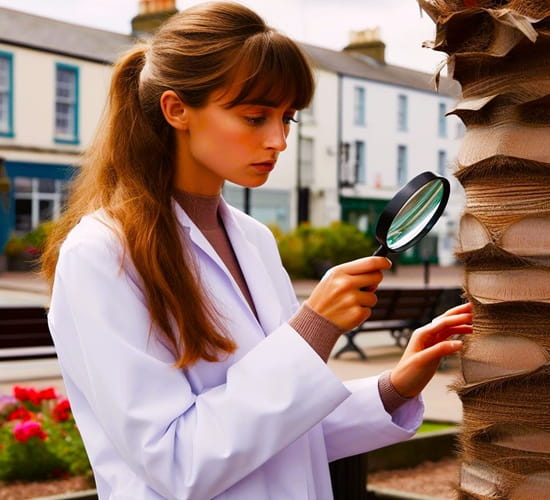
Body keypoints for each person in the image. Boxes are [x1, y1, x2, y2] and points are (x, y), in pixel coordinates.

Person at [42, 2, 472, 499]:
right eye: (254, 116)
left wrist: (395, 386)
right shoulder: (101, 254)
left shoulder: (254, 239)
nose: (279, 140)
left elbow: (283, 432)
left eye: (286, 118)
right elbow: (177, 462)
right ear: (176, 109)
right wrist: (315, 328)